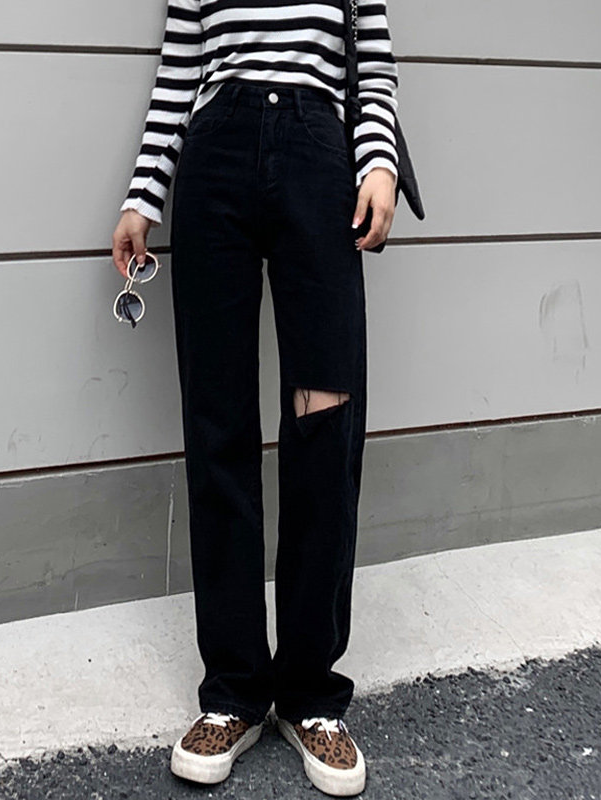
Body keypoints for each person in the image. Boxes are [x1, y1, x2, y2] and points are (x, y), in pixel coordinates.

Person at [111, 0, 399, 794]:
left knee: (324, 421)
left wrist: (377, 163)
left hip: (318, 164)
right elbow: (180, 73)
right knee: (219, 425)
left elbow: (372, 66)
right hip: (216, 164)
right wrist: (144, 196)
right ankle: (234, 691)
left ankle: (310, 693)